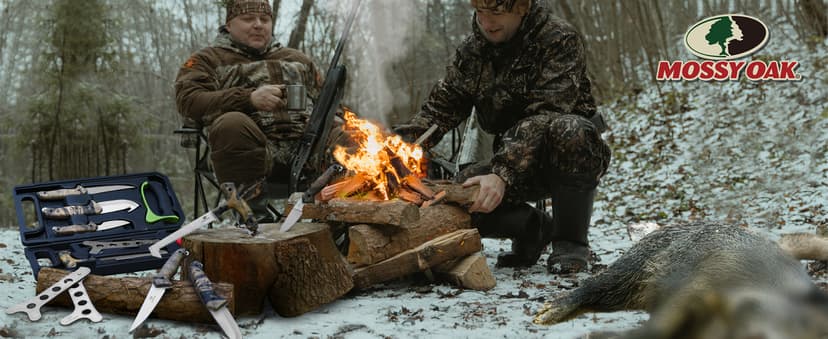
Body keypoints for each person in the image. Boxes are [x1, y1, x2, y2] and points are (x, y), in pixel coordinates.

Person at [394, 0, 611, 274]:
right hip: (510, 160)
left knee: (569, 129)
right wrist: (396, 145)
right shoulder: (472, 51)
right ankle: (534, 228)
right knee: (454, 194)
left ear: (521, 7)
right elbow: (440, 109)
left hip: (565, 157)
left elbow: (546, 114)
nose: (486, 22)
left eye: (496, 12)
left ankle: (570, 243)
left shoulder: (559, 39)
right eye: (480, 12)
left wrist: (501, 173)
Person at [174, 0, 348, 220]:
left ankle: (343, 220)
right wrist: (249, 98)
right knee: (231, 124)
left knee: (352, 136)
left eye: (264, 20)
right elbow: (188, 101)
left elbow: (333, 103)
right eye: (248, 19)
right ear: (229, 24)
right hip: (250, 156)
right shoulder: (206, 61)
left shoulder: (299, 60)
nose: (258, 25)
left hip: (308, 154)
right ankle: (254, 220)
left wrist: (336, 117)